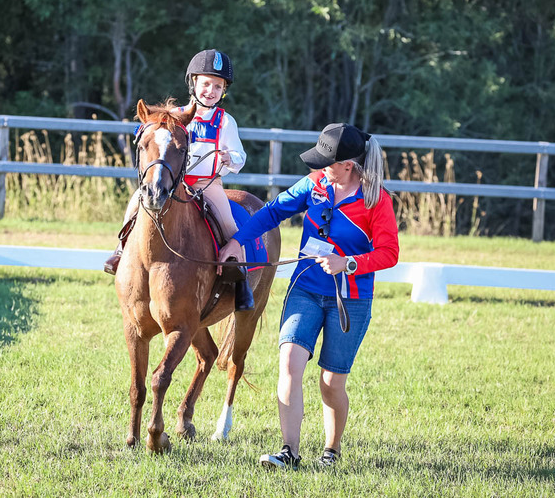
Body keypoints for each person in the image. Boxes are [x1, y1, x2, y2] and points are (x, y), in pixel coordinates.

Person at [218, 123, 399, 469]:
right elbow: (272, 212)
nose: (320, 168)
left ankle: (331, 452)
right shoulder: (315, 185)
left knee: (331, 383)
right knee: (289, 364)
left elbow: (389, 253)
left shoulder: (376, 200)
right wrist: (238, 241)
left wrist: (347, 263)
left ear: (348, 165)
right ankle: (289, 452)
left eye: (327, 162)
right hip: (305, 290)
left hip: (351, 300)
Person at [104, 48, 254, 310]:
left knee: (229, 225)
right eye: (206, 83)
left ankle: (240, 282)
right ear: (193, 83)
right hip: (176, 184)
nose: (211, 90)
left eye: (218, 86)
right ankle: (120, 250)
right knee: (137, 201)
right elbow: (153, 135)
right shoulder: (176, 116)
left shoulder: (225, 122)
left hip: (208, 185)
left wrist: (231, 159)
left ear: (223, 91)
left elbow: (240, 155)